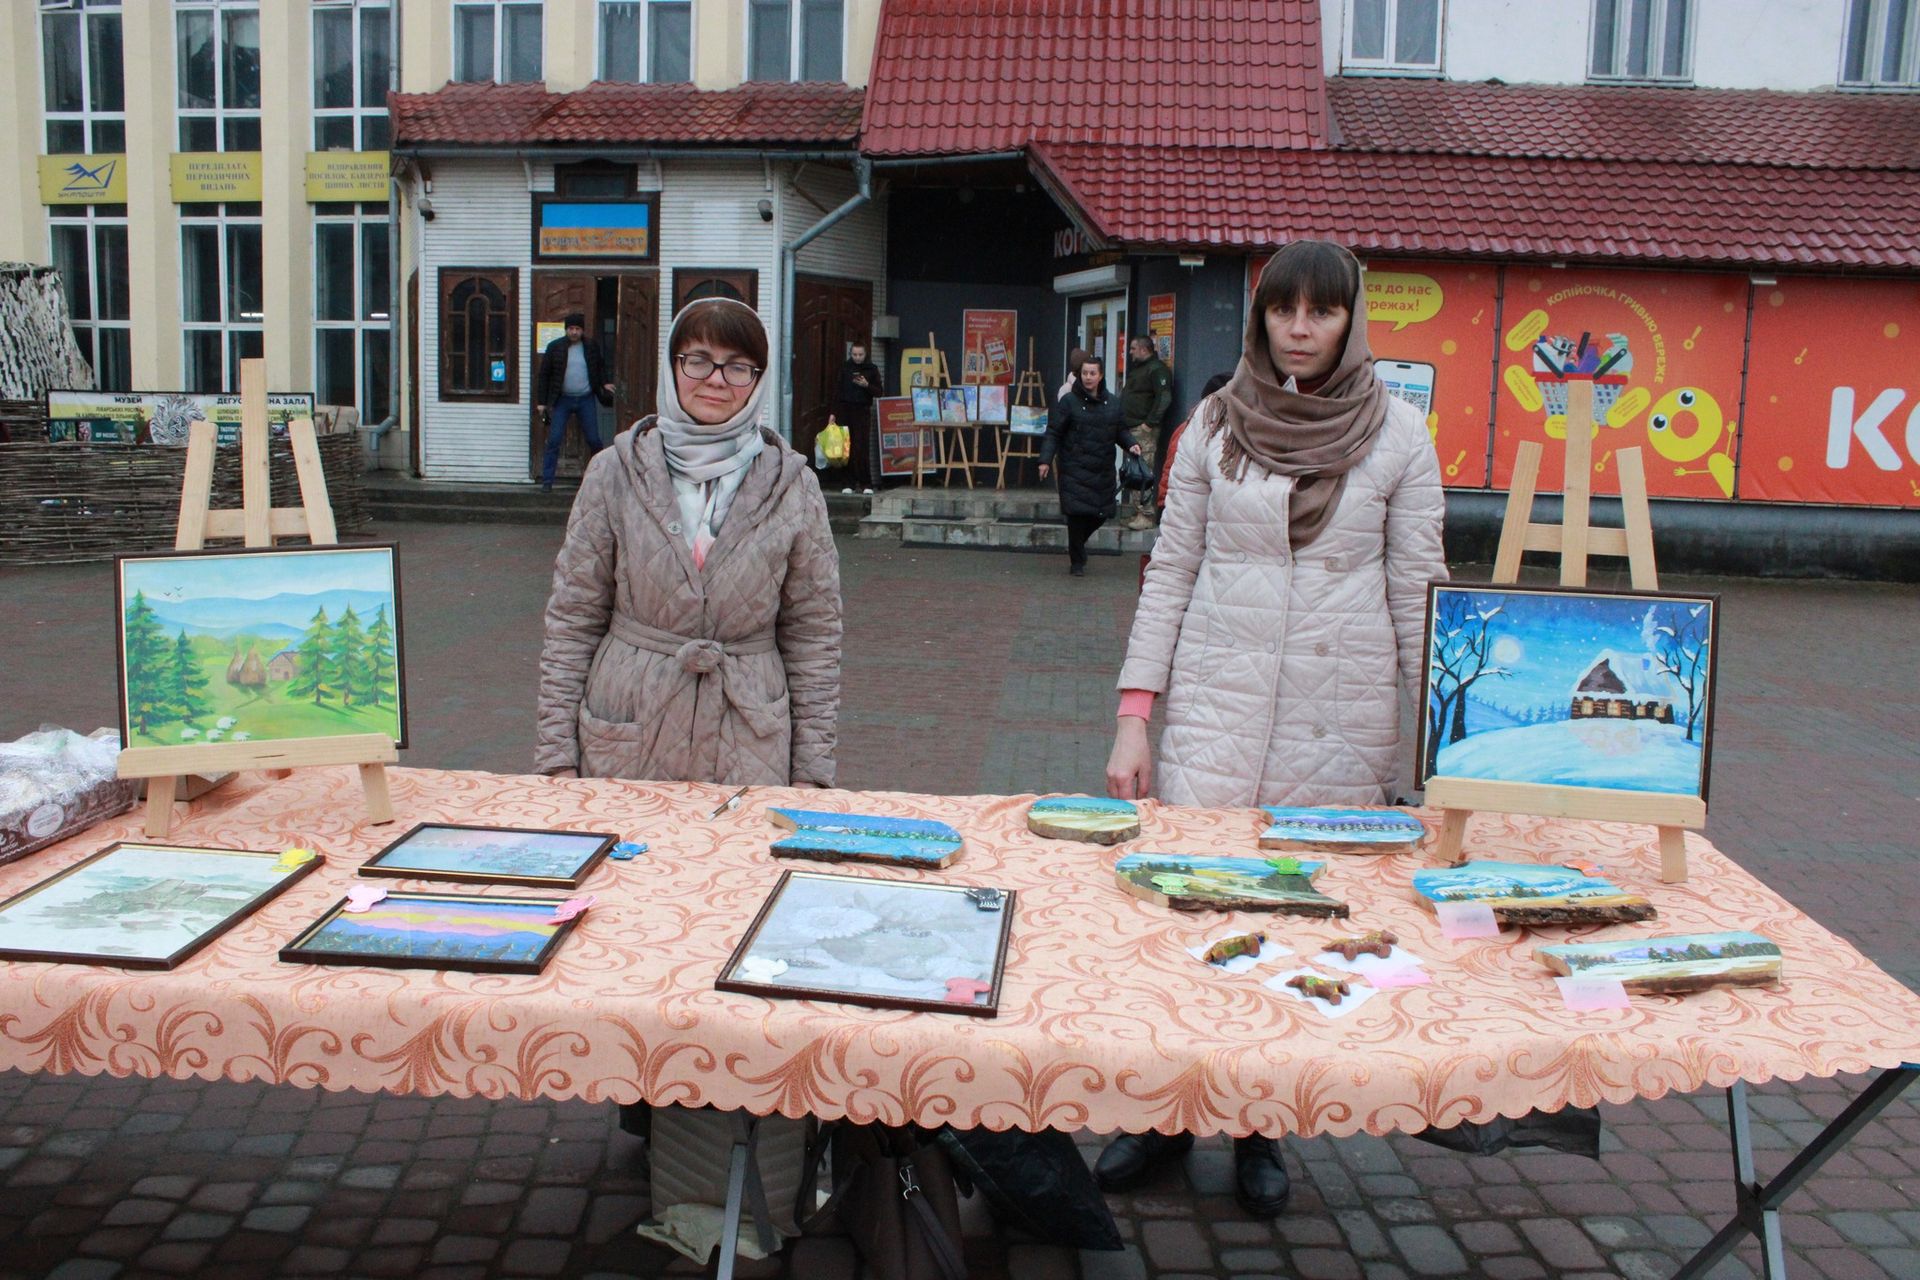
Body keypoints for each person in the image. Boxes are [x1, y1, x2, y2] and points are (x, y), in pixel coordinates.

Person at [1095, 240, 1447, 1216]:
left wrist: (1441, 750)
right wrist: (1136, 717)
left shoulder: (1400, 436)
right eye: (1283, 309)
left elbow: (1422, 591)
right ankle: (1163, 1117)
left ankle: (1259, 1124)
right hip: (1216, 707)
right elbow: (1170, 569)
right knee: (1194, 915)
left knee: (1294, 927)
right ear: (1260, 320)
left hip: (1340, 719)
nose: (1300, 326)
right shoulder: (1214, 422)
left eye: (1321, 310)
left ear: (1350, 320)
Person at [535, 296, 841, 788]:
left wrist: (813, 773)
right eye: (698, 360)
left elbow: (814, 636)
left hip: (749, 734)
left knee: (737, 863)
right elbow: (573, 618)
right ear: (672, 364)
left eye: (738, 366)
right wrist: (556, 757)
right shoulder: (615, 472)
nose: (716, 379)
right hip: (627, 728)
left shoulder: (792, 484)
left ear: (758, 379)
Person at [1039, 355, 1141, 577]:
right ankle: (1077, 562)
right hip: (1074, 467)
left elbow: (1121, 430)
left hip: (1101, 467)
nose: (1088, 377)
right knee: (1076, 515)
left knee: (1102, 512)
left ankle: (1078, 546)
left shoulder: (1113, 403)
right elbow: (1054, 432)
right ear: (1079, 375)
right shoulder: (1068, 402)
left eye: (1093, 373)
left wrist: (1131, 444)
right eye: (1084, 373)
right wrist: (1045, 460)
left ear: (1101, 375)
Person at [537, 312, 616, 493]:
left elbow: (599, 366)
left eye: (577, 329)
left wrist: (605, 382)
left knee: (594, 440)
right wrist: (541, 402)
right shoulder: (555, 347)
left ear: (582, 330)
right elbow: (544, 376)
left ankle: (598, 480)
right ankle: (547, 482)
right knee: (554, 440)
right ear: (566, 330)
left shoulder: (591, 347)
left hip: (585, 398)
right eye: (571, 329)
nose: (574, 332)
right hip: (562, 399)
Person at [1119, 335, 1173, 530]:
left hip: (1143, 430)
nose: (1130, 352)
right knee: (1134, 471)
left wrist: (1149, 424)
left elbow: (1164, 398)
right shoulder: (1140, 369)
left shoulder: (1157, 370)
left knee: (1143, 470)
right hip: (1131, 428)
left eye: (1133, 348)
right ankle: (1138, 511)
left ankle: (1146, 515)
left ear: (1144, 349)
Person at [832, 341, 884, 491]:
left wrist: (866, 385)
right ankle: (848, 483)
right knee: (846, 448)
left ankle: (865, 483)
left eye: (860, 355)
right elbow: (838, 391)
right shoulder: (845, 368)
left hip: (862, 411)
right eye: (854, 354)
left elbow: (879, 392)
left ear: (865, 354)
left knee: (861, 447)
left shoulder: (871, 369)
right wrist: (833, 413)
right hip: (845, 409)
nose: (857, 357)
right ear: (851, 354)